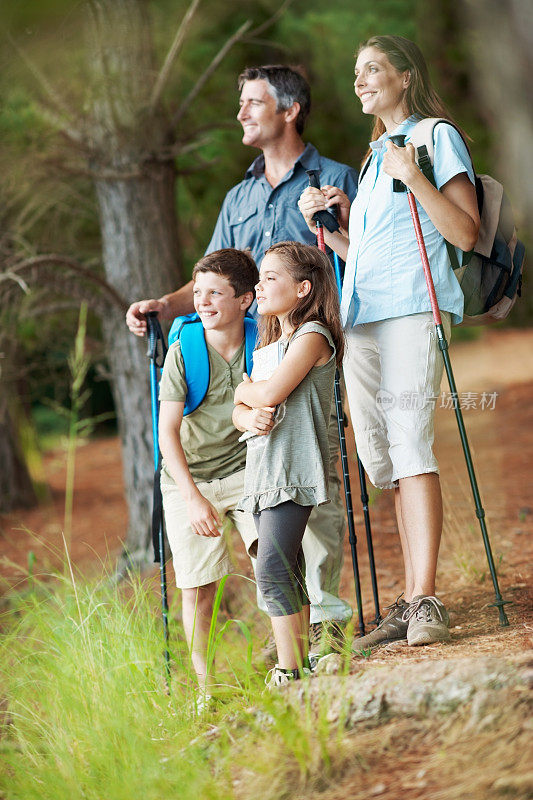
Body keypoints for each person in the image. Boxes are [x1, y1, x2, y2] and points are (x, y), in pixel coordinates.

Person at [127, 65, 359, 650]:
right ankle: (293, 627)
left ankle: (328, 622)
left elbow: (362, 266)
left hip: (312, 344)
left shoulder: (334, 177)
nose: (242, 113)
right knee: (271, 474)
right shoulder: (240, 195)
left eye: (253, 102)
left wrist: (344, 218)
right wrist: (163, 304)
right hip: (256, 353)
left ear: (289, 110)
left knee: (317, 472)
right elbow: (213, 274)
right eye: (241, 103)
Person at [298, 35, 480, 649]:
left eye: (373, 69)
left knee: (410, 444)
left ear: (406, 77)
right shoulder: (374, 159)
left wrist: (413, 174)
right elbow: (370, 260)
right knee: (383, 461)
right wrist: (333, 229)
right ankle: (406, 600)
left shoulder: (432, 138)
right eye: (356, 73)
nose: (361, 80)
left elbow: (463, 229)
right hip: (364, 316)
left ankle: (426, 600)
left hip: (411, 313)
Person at [158, 248, 273, 707]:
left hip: (247, 470)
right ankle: (206, 687)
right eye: (199, 292)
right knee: (199, 586)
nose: (203, 302)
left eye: (215, 293)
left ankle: (288, 654)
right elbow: (166, 432)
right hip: (189, 479)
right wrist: (192, 499)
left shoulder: (261, 340)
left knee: (274, 557)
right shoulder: (183, 350)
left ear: (245, 300)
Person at [233, 241, 344, 687]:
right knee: (287, 565)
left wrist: (246, 393)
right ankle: (298, 663)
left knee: (272, 567)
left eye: (271, 278)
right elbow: (241, 410)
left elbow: (268, 393)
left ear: (302, 288)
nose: (259, 286)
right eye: (259, 278)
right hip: (264, 465)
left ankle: (288, 668)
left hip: (294, 465)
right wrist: (244, 402)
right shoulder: (270, 341)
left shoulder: (312, 335)